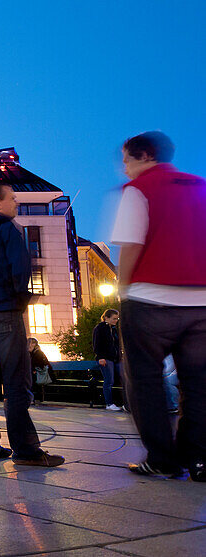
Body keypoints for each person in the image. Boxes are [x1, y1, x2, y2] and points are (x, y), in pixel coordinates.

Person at [111, 131, 206, 480]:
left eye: (127, 160)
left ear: (145, 156)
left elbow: (131, 244)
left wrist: (123, 290)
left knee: (144, 381)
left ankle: (163, 458)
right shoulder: (200, 185)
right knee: (198, 385)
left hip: (151, 301)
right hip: (202, 304)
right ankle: (198, 459)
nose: (124, 169)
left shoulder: (140, 189)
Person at [0, 183, 64, 467]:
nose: (16, 203)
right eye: (12, 199)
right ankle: (26, 450)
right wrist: (19, 299)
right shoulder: (9, 229)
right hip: (4, 310)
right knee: (16, 379)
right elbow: (21, 269)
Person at [92, 309, 123, 411]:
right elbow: (97, 344)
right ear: (106, 318)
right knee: (109, 380)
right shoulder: (100, 328)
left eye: (117, 318)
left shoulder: (113, 329)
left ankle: (126, 404)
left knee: (124, 379)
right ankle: (109, 404)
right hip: (106, 358)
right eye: (114, 318)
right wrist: (100, 357)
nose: (116, 320)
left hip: (116, 358)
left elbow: (117, 344)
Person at [28, 337, 53, 405]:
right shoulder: (33, 352)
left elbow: (39, 363)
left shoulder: (37, 352)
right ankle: (35, 399)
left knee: (35, 384)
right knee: (33, 383)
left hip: (37, 372)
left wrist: (34, 369)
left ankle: (36, 399)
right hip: (35, 371)